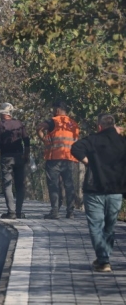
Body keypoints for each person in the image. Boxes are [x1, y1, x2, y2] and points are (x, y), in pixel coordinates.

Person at [70, 114, 126, 273]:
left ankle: (103, 260)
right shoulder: (122, 142)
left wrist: (89, 162)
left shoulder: (93, 139)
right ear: (114, 126)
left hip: (94, 190)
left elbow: (75, 148)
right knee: (110, 226)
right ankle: (104, 257)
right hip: (116, 191)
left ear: (99, 126)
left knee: (96, 226)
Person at [0, 103, 31, 219]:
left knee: (7, 185)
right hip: (19, 157)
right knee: (20, 185)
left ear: (3, 113)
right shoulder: (19, 124)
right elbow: (26, 140)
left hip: (6, 157)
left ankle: (11, 212)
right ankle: (19, 211)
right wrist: (26, 155)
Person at [37, 100, 80, 219]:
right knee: (69, 185)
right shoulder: (74, 124)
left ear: (57, 110)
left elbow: (39, 127)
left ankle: (55, 211)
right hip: (69, 158)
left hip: (54, 158)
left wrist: (44, 139)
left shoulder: (53, 121)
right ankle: (70, 212)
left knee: (54, 185)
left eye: (53, 109)